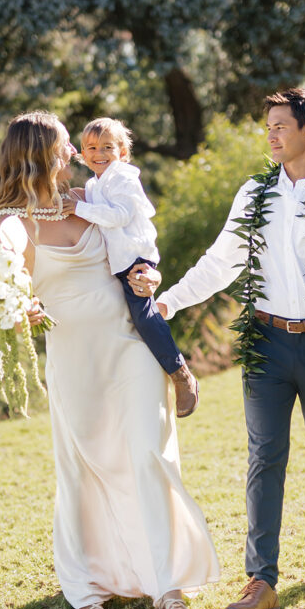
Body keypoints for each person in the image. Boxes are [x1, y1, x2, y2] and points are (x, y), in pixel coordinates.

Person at [156, 88, 305, 609]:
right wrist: (169, 301)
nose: (272, 134)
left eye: (281, 125)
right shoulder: (253, 195)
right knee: (265, 459)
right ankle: (261, 580)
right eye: (269, 127)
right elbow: (220, 263)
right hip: (265, 345)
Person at [0, 111, 220, 609]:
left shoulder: (93, 199)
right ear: (42, 153)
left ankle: (168, 584)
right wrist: (15, 305)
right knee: (85, 467)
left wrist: (149, 275)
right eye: (67, 146)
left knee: (146, 454)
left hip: (130, 346)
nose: (74, 154)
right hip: (75, 359)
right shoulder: (11, 223)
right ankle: (88, 582)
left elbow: (136, 239)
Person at [60, 117, 198, 417]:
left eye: (108, 147)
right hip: (119, 262)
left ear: (123, 152)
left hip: (135, 257)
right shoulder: (96, 183)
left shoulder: (122, 177)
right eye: (91, 148)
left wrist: (80, 209)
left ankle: (180, 373)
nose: (99, 154)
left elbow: (121, 215)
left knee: (144, 315)